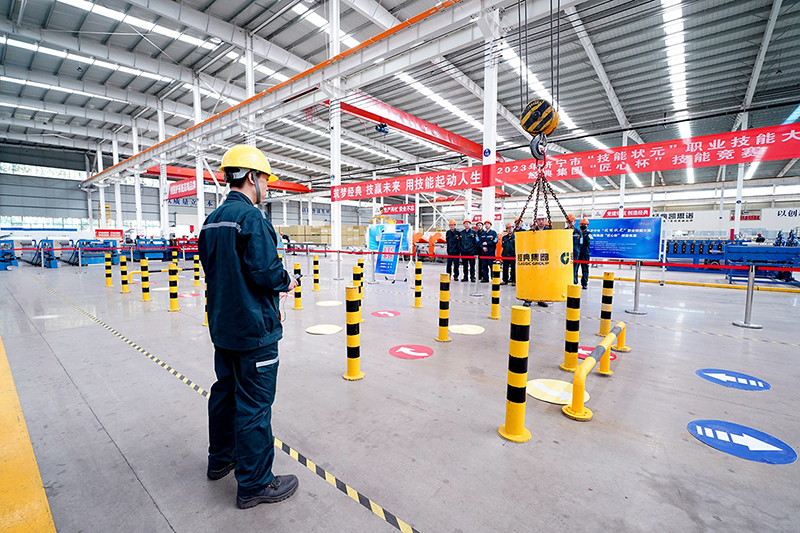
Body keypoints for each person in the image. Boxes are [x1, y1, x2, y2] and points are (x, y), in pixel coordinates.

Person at [199, 144, 300, 510]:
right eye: (266, 180)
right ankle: (255, 484)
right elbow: (266, 273)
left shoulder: (212, 221)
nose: (267, 187)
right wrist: (287, 281)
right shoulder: (252, 219)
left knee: (225, 394)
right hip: (254, 330)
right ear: (252, 177)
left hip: (223, 327)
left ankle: (220, 459)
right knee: (254, 405)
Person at [574, 218, 591, 289]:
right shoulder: (576, 233)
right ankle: (574, 282)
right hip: (577, 253)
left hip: (585, 254)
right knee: (575, 269)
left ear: (587, 225)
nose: (583, 225)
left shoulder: (589, 234)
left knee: (585, 269)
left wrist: (582, 235)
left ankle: (584, 283)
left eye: (585, 224)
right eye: (582, 224)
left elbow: (588, 241)